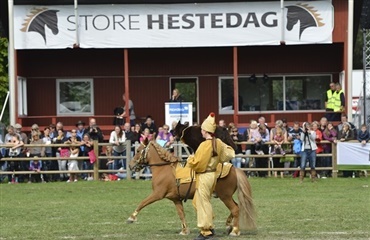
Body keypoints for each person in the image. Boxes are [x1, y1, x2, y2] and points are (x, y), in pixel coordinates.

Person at [186, 112, 235, 240]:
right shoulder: (217, 142)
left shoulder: (204, 145)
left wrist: (190, 160)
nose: (201, 131)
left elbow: (198, 163)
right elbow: (229, 154)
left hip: (204, 175)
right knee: (201, 200)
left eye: (202, 129)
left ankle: (206, 230)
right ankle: (209, 226)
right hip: (213, 174)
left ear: (206, 130)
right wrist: (218, 159)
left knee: (203, 202)